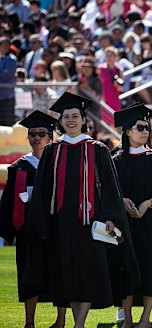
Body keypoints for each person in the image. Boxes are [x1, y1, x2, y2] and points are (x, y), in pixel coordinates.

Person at [25, 92, 139, 328]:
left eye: (75, 116)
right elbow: (43, 191)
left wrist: (110, 217)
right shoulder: (52, 150)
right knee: (66, 274)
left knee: (86, 273)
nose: (71, 120)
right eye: (66, 116)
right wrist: (42, 223)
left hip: (90, 222)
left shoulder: (97, 149)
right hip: (61, 224)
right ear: (61, 121)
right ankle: (77, 322)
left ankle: (79, 324)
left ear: (84, 120)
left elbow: (110, 188)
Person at [110, 103, 152, 328]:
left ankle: (145, 319)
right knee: (125, 271)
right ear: (127, 131)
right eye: (139, 127)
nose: (144, 131)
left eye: (147, 127)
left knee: (150, 270)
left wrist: (149, 203)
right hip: (125, 226)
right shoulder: (116, 161)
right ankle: (127, 319)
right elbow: (109, 193)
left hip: (148, 224)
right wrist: (122, 201)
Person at [0, 111, 66, 328]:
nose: (37, 138)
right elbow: (8, 202)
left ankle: (61, 320)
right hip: (28, 231)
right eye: (33, 134)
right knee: (29, 276)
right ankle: (29, 322)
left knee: (59, 273)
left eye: (42, 133)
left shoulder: (60, 165)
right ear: (28, 137)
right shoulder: (18, 167)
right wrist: (8, 232)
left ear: (51, 137)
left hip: (56, 229)